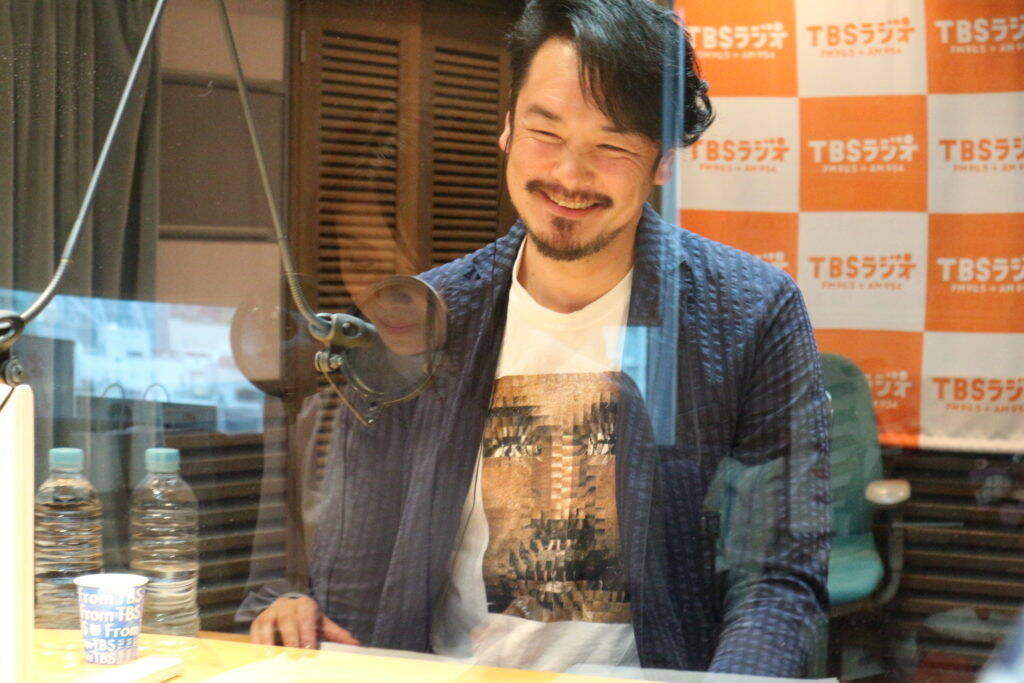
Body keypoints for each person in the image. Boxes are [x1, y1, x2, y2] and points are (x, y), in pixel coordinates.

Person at [247, 0, 831, 677]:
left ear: (663, 160)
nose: (569, 176)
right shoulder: (429, 317)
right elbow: (357, 557)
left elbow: (778, 576)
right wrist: (305, 608)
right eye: (545, 131)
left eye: (611, 145)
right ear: (507, 127)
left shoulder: (749, 313)